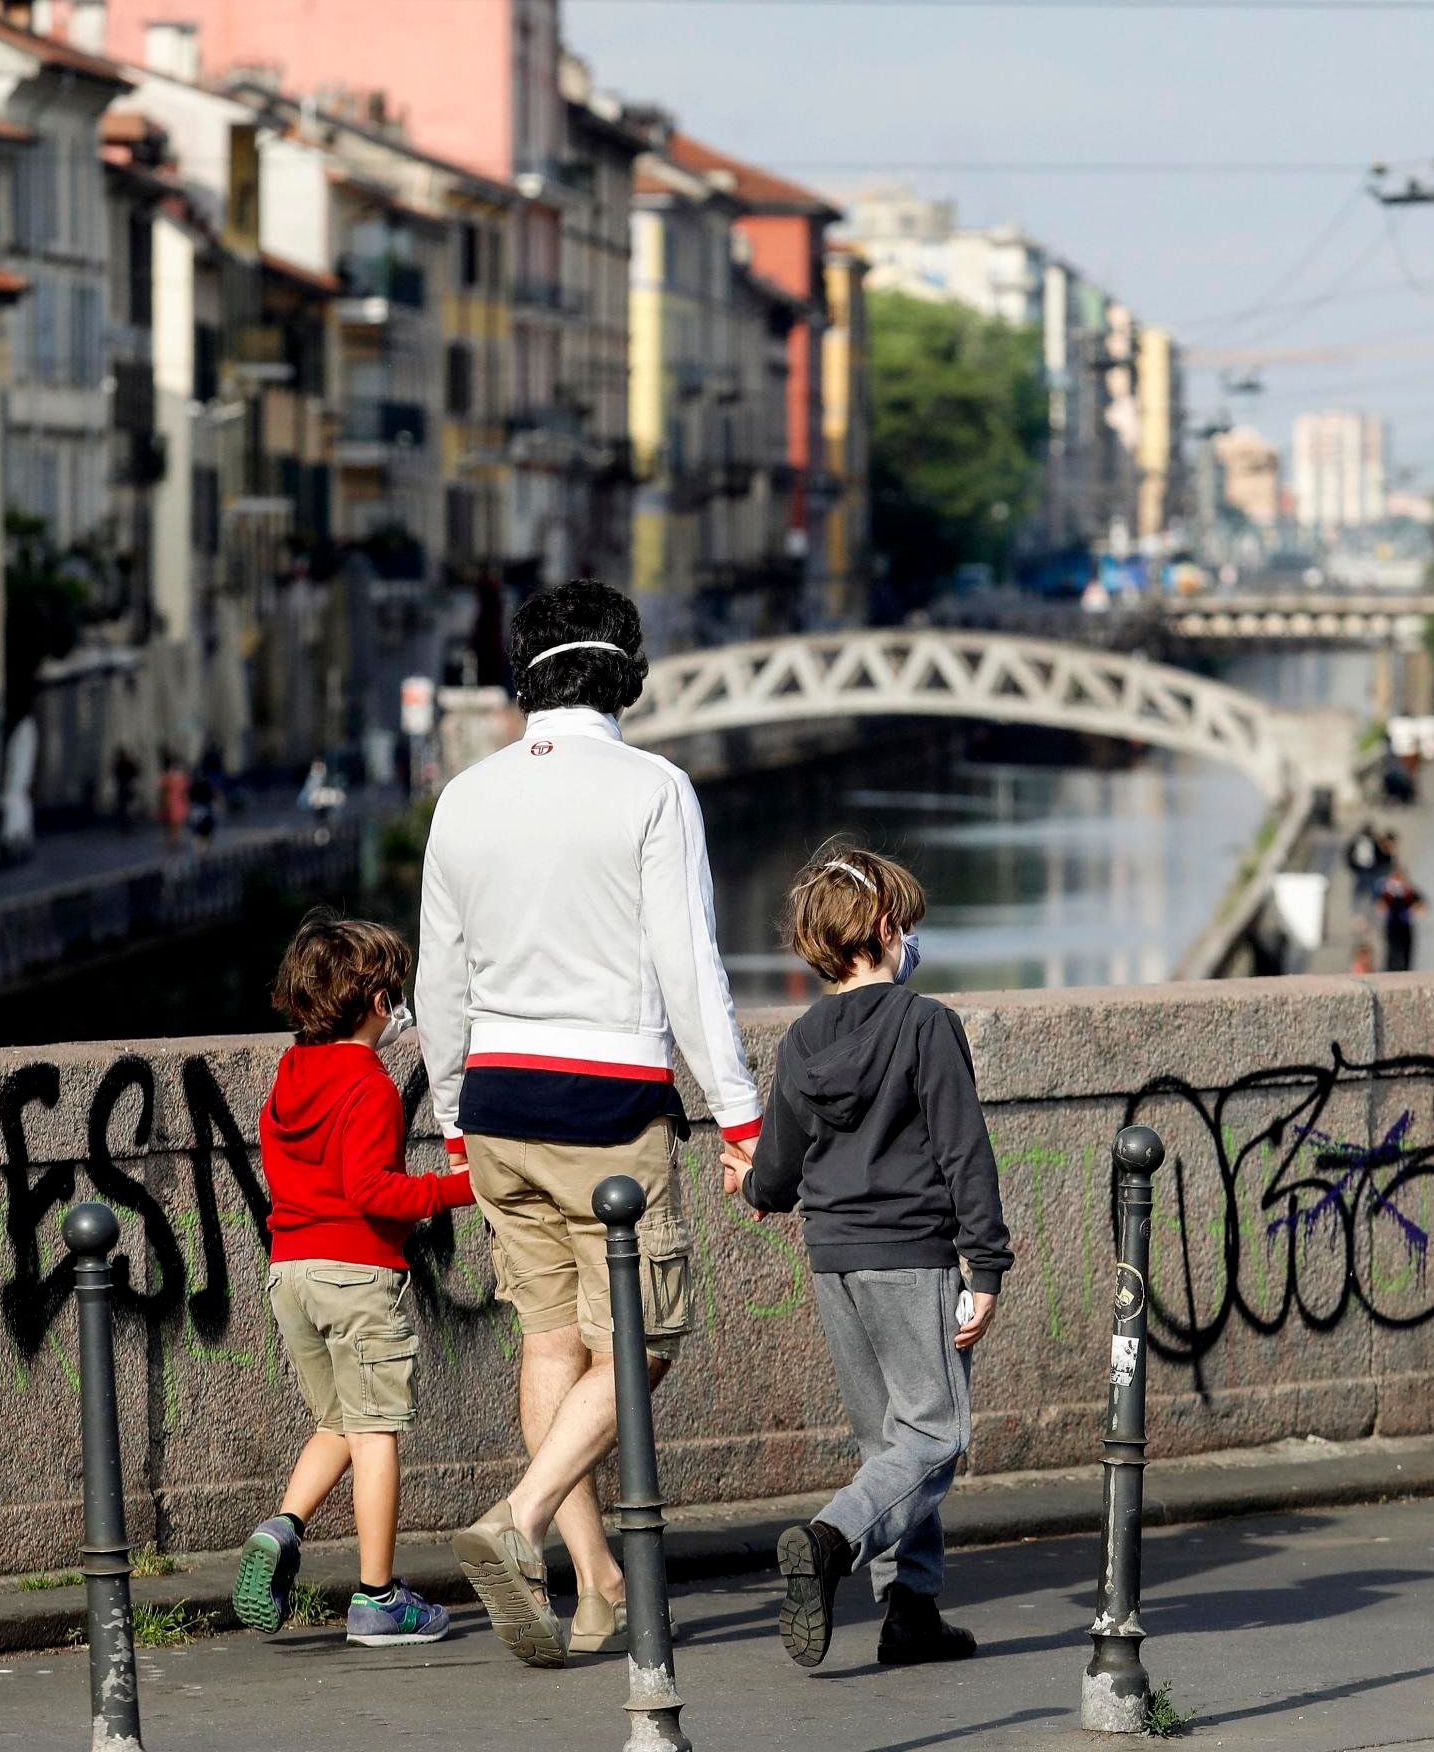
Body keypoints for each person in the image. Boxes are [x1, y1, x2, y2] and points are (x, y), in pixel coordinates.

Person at [418, 577, 763, 1670]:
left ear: (525, 674)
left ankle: (601, 1587)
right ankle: (517, 1521)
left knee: (551, 1341)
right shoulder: (652, 788)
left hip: (499, 1103)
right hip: (609, 1102)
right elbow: (686, 963)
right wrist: (739, 1108)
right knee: (646, 1338)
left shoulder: (463, 795)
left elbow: (440, 977)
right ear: (629, 671)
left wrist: (451, 1109)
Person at [743, 845, 1007, 1672]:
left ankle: (911, 1612)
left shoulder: (800, 1041)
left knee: (890, 1443)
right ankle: (830, 1539)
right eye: (908, 928)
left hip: (834, 1262)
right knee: (938, 1431)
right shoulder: (926, 1025)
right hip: (911, 1255)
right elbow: (965, 1153)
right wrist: (986, 1266)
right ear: (887, 930)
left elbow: (778, 1175)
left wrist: (750, 1184)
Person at [232, 911, 471, 1649]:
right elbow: (372, 1191)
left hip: (290, 1273)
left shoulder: (289, 1075)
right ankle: (377, 1597)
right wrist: (458, 1189)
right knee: (376, 1432)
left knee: (336, 1420)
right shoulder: (366, 1085)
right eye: (393, 992)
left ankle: (283, 1527)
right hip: (355, 1274)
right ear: (375, 1005)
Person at [1375, 861, 1426, 973]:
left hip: (1405, 925)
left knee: (1406, 951)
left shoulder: (1409, 891)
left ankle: (1405, 972)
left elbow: (1421, 905)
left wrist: (1413, 910)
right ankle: (1391, 971)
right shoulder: (1386, 891)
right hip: (1392, 925)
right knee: (1393, 951)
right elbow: (1379, 905)